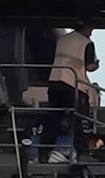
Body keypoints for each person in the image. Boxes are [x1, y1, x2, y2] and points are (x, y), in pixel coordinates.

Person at [42, 22, 99, 162]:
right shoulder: (86, 43)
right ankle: (83, 153)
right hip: (73, 83)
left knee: (53, 118)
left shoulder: (62, 39)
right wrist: (97, 64)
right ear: (85, 27)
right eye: (90, 28)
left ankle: (43, 151)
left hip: (55, 82)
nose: (91, 32)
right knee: (81, 118)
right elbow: (90, 66)